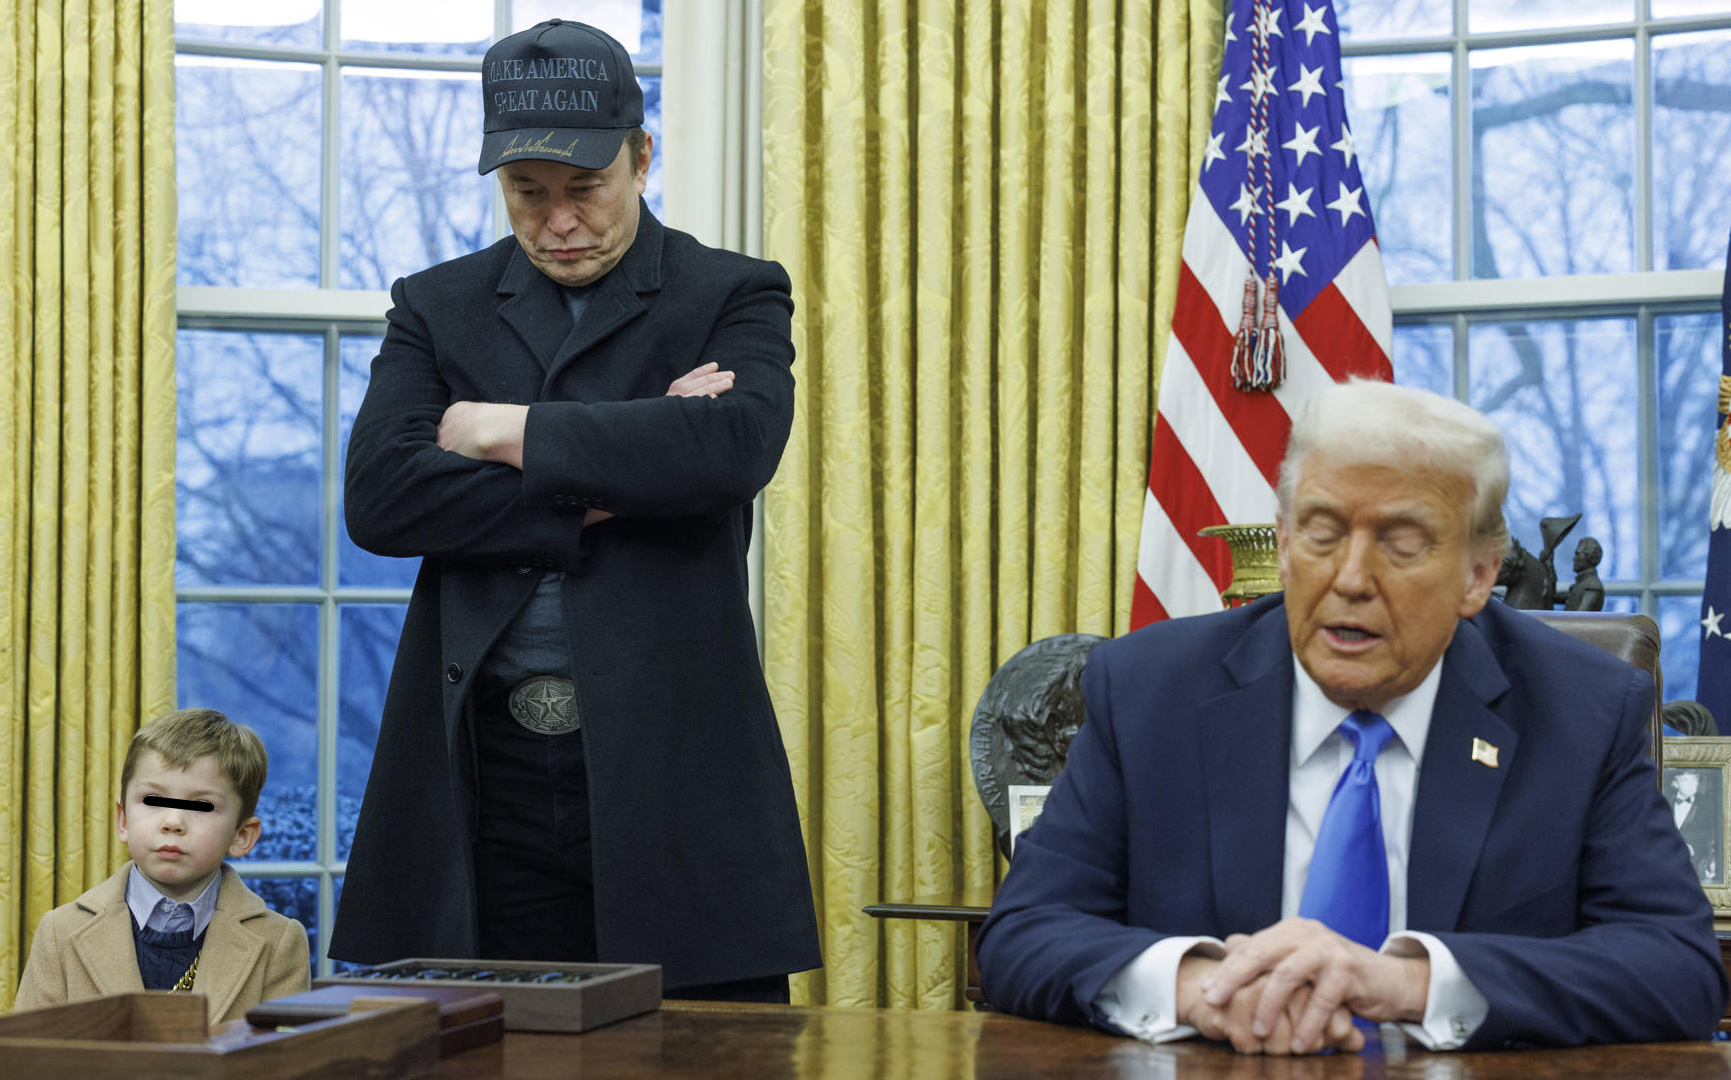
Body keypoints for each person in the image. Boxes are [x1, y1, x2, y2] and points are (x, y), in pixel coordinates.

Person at [976, 380, 1726, 1053]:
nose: (1351, 579)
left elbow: (1677, 967)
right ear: (1283, 541)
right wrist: (1203, 987)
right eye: (1323, 533)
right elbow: (1024, 932)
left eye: (1402, 546)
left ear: (1478, 575)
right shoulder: (1150, 691)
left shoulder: (1581, 712)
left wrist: (1404, 983)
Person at [329, 18, 819, 1001]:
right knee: (486, 1049)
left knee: (703, 1055)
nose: (558, 221)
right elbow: (381, 498)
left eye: (585, 188)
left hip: (673, 768)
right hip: (484, 770)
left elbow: (731, 449)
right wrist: (622, 477)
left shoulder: (730, 292)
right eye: (528, 193)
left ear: (642, 157)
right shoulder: (436, 304)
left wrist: (500, 429)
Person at [15, 709, 310, 1020]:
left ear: (241, 835)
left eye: (202, 806)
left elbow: (285, 1050)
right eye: (153, 800)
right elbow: (28, 1048)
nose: (173, 821)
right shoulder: (60, 932)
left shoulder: (279, 941)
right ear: (123, 820)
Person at [1668, 769, 1722, 885]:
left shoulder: (1709, 805)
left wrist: (1695, 849)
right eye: (1685, 780)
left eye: (1694, 779)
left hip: (1698, 865)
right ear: (1675, 783)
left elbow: (1714, 836)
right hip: (1668, 864)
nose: (1691, 784)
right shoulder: (1665, 800)